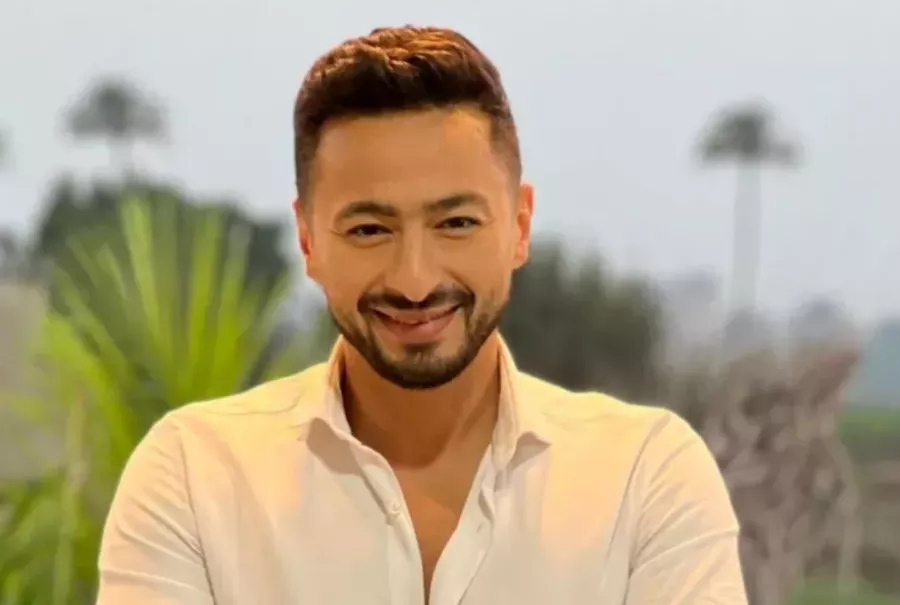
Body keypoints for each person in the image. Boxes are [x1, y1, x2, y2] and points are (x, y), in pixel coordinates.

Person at [96, 25, 747, 605]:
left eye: (456, 223)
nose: (415, 281)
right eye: (370, 229)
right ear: (307, 240)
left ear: (520, 226)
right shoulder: (195, 478)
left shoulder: (645, 480)